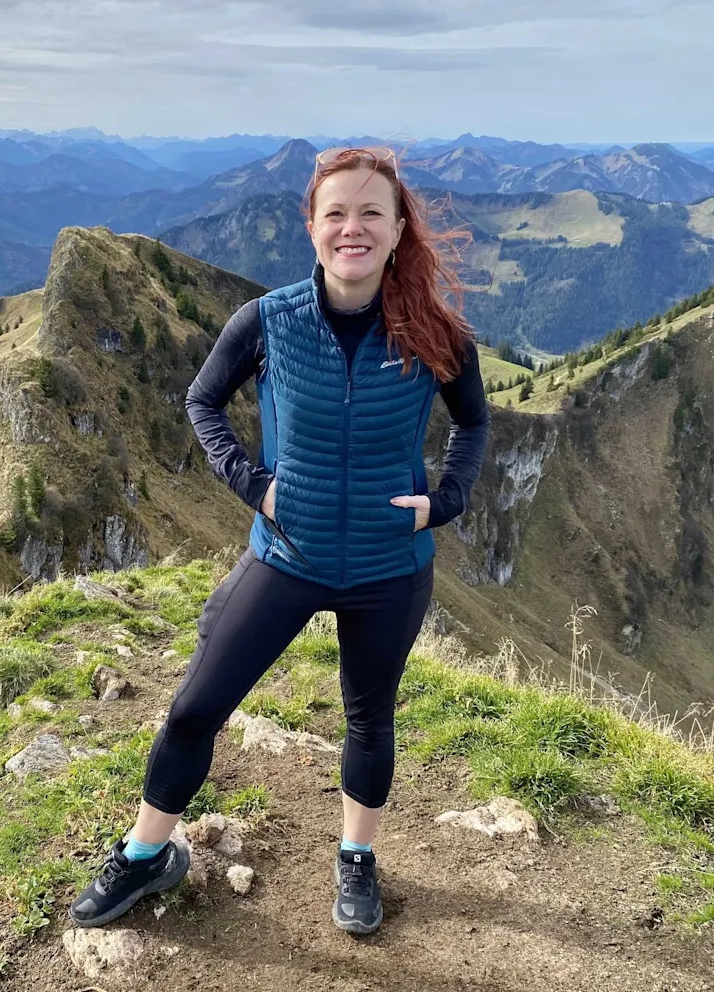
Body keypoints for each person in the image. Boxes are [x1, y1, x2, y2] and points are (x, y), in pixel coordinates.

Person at [70, 146, 491, 934]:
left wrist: (447, 500)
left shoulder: (436, 332)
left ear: (399, 230)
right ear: (312, 227)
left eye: (372, 212)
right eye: (336, 213)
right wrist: (251, 482)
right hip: (286, 557)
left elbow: (473, 421)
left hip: (388, 566)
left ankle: (357, 858)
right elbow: (203, 401)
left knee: (370, 718)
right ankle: (145, 855)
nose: (352, 228)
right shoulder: (267, 321)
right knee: (195, 709)